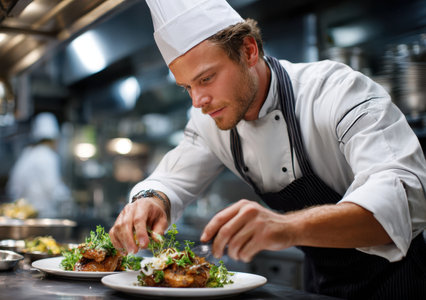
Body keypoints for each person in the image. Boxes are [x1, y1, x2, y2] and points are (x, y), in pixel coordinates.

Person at [109, 0, 426, 298]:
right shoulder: (208, 120)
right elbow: (171, 180)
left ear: (248, 50)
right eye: (187, 87)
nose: (197, 101)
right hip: (319, 288)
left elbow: (403, 198)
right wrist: (151, 201)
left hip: (400, 283)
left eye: (206, 78)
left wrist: (287, 227)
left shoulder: (336, 92)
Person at [6, 112, 72, 218]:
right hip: (44, 214)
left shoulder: (27, 154)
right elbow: (52, 187)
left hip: (24, 215)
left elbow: (13, 186)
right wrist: (68, 197)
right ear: (54, 139)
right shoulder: (48, 156)